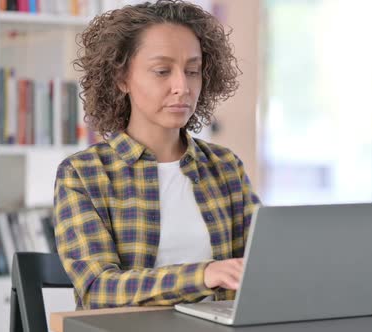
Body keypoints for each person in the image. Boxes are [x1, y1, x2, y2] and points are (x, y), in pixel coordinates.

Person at [53, 0, 261, 309]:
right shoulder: (84, 173)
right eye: (162, 71)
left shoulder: (225, 167)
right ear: (122, 79)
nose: (182, 86)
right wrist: (204, 274)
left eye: (193, 71)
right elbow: (98, 289)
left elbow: (266, 264)